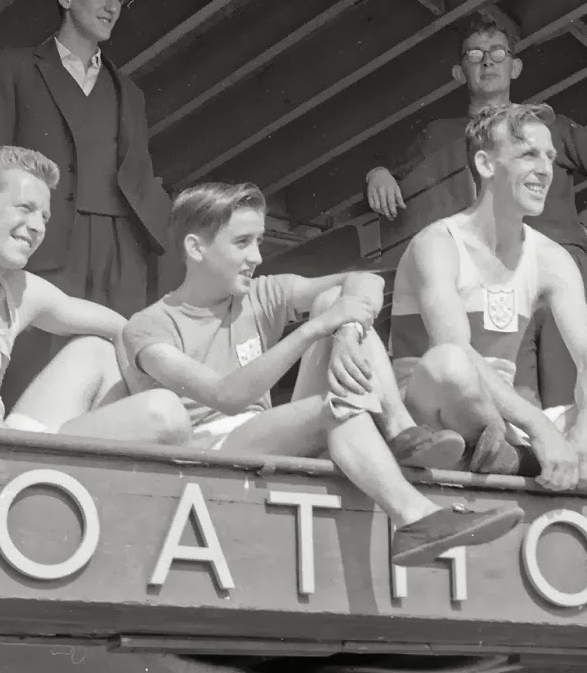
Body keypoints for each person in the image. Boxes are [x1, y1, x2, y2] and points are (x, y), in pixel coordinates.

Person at [120, 182, 523, 567]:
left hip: (274, 432)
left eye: (259, 241)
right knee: (336, 403)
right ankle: (414, 517)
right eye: (242, 242)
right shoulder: (148, 326)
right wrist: (315, 328)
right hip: (211, 454)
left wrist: (345, 331)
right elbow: (226, 396)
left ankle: (401, 430)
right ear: (196, 248)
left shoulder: (258, 294)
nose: (257, 256)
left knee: (335, 299)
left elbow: (364, 280)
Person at [389, 103, 587, 491]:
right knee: (450, 364)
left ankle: (532, 463)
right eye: (528, 154)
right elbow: (456, 354)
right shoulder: (438, 243)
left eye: (550, 157)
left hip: (511, 428)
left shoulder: (550, 257)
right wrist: (540, 427)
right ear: (486, 164)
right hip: (436, 421)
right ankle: (561, 464)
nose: (545, 170)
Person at [365, 15, 587, 411]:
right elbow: (395, 177)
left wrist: (585, 227)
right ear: (458, 72)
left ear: (515, 66)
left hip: (562, 264)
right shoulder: (440, 134)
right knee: (509, 399)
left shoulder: (549, 128)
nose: (487, 61)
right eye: (475, 54)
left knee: (577, 396)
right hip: (492, 277)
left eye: (498, 52)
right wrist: (377, 173)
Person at [0, 0, 173, 411]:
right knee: (34, 361)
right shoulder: (13, 68)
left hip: (120, 249)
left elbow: (139, 178)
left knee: (116, 365)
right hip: (43, 238)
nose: (112, 7)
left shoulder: (129, 91)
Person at [0, 145, 190, 441]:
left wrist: (145, 397)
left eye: (44, 217)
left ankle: (68, 460)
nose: (37, 227)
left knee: (98, 352)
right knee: (160, 412)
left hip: (1, 444)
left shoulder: (22, 289)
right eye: (25, 209)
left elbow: (121, 329)